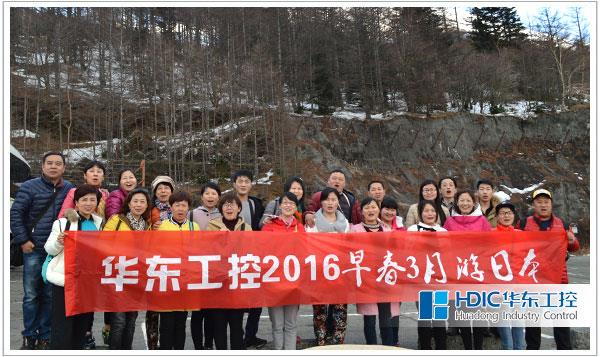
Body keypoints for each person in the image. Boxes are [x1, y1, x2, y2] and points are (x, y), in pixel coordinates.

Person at [10, 151, 74, 349]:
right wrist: (23, 240)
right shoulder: (30, 187)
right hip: (34, 248)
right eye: (50, 163)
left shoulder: (69, 189)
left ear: (64, 167)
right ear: (43, 166)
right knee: (31, 295)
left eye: (58, 163)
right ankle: (29, 335)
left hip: (56, 250)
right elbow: (15, 214)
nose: (54, 166)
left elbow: (75, 213)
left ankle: (46, 335)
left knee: (49, 295)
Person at [519, 189, 579, 350]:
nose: (543, 205)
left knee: (560, 321)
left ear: (551, 204)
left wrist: (572, 240)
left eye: (546, 202)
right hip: (533, 281)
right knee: (532, 321)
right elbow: (516, 247)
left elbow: (574, 248)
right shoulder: (524, 223)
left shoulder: (563, 224)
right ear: (534, 205)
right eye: (539, 202)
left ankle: (565, 351)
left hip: (557, 280)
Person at [57, 160, 109, 348]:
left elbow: (107, 219)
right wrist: (74, 221)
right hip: (74, 253)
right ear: (85, 175)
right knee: (71, 301)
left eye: (99, 171)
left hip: (94, 255)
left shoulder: (105, 194)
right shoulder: (74, 192)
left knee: (89, 298)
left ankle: (86, 334)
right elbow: (63, 215)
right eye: (92, 171)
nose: (95, 174)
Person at [45, 185, 103, 349]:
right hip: (66, 281)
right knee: (62, 327)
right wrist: (58, 242)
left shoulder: (99, 224)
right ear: (76, 202)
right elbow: (49, 249)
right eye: (84, 200)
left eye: (92, 199)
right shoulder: (63, 223)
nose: (88, 203)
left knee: (82, 326)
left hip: (87, 283)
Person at [103, 188, 152, 349]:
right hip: (118, 276)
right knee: (118, 321)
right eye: (135, 201)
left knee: (131, 319)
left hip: (136, 279)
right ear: (128, 203)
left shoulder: (147, 225)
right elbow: (102, 244)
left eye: (142, 202)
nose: (138, 205)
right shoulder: (116, 220)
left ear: (147, 205)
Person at [443, 189, 491, 349]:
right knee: (462, 313)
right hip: (457, 273)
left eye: (468, 200)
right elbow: (443, 245)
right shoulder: (450, 222)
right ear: (457, 202)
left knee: (477, 312)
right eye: (461, 200)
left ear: (473, 202)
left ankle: (478, 348)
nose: (465, 203)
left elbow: (489, 244)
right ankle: (467, 348)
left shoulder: (482, 221)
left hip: (476, 272)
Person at [352, 197, 399, 346]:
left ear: (378, 210)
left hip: (384, 280)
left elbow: (396, 252)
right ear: (361, 212)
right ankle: (371, 349)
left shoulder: (387, 229)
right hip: (366, 280)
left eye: (373, 207)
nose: (370, 210)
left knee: (386, 319)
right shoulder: (354, 230)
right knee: (369, 319)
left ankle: (389, 348)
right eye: (367, 208)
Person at [207, 192, 253, 350]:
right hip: (218, 284)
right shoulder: (211, 226)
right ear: (221, 208)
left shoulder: (247, 228)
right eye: (225, 204)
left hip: (237, 284)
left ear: (239, 208)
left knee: (236, 325)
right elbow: (207, 252)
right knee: (219, 326)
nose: (229, 207)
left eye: (232, 204)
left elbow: (251, 252)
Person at [305, 188, 349, 346]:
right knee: (320, 313)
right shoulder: (312, 222)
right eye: (327, 200)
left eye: (333, 199)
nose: (330, 203)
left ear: (338, 202)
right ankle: (321, 344)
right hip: (320, 273)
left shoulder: (345, 223)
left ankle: (338, 344)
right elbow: (309, 247)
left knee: (340, 312)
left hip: (340, 274)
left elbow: (348, 248)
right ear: (321, 202)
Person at [157, 191, 200, 349]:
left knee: (181, 323)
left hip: (185, 281)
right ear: (170, 206)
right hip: (167, 280)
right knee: (167, 324)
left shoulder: (193, 226)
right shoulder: (163, 226)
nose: (180, 209)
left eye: (184, 205)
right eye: (177, 205)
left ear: (188, 207)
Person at [262, 192, 305, 350]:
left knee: (291, 324)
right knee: (277, 324)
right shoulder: (269, 226)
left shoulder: (299, 227)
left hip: (294, 282)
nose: (288, 206)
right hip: (274, 281)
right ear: (280, 205)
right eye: (285, 203)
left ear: (296, 207)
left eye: (292, 204)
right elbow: (262, 250)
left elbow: (305, 251)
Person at [231, 170, 267, 349]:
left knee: (256, 302)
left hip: (253, 256)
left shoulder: (256, 204)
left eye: (246, 181)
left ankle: (250, 336)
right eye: (240, 181)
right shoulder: (229, 203)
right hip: (233, 258)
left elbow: (260, 227)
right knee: (237, 302)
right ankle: (238, 339)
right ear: (234, 184)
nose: (243, 184)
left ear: (251, 184)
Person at [407, 200, 447, 350]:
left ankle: (441, 348)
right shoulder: (413, 229)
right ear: (420, 213)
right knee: (425, 316)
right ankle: (424, 348)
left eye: (432, 211)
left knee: (440, 317)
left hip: (440, 280)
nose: (430, 214)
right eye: (426, 211)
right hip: (422, 280)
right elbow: (408, 251)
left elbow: (448, 254)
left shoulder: (443, 231)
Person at [190, 181, 222, 350]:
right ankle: (198, 347)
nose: (210, 197)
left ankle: (209, 345)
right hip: (196, 268)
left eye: (214, 194)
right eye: (207, 193)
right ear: (201, 196)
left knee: (211, 312)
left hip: (216, 269)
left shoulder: (223, 213)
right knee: (197, 313)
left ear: (219, 197)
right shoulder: (192, 214)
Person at [145, 175, 175, 349]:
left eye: (166, 188)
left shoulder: (179, 207)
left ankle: (167, 346)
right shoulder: (148, 210)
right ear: (155, 192)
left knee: (171, 308)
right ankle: (153, 346)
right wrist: (151, 228)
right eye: (160, 188)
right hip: (154, 263)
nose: (163, 191)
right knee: (153, 309)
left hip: (174, 262)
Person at [493, 201, 526, 350]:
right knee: (505, 326)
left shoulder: (521, 235)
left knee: (518, 324)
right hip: (499, 287)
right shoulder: (490, 234)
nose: (506, 216)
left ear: (514, 215)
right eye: (502, 213)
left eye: (509, 213)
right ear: (497, 216)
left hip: (519, 286)